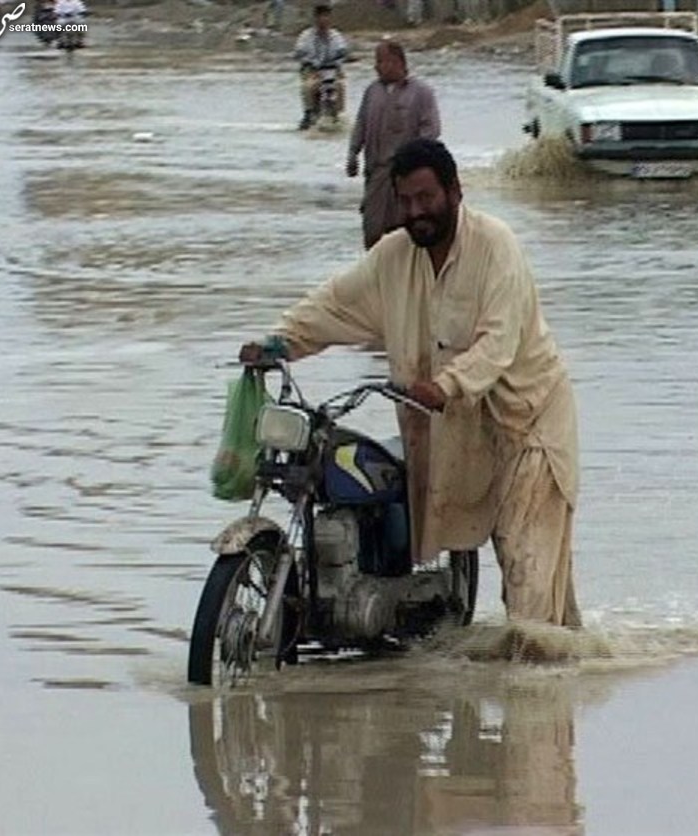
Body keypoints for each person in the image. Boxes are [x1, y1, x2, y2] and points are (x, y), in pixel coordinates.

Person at [241, 139, 582, 628]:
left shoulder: (495, 246)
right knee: (541, 593)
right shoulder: (393, 257)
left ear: (455, 192)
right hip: (452, 428)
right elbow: (335, 304)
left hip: (527, 426)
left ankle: (539, 684)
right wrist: (279, 342)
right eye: (406, 201)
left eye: (427, 199)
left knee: (528, 576)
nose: (416, 212)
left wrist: (445, 384)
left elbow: (497, 342)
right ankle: (567, 670)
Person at [345, 40, 440, 249]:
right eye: (376, 62)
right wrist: (353, 153)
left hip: (406, 178)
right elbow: (360, 124)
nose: (377, 66)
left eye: (381, 61)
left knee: (404, 235)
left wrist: (416, 163)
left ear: (397, 62)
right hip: (376, 175)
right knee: (373, 232)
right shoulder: (372, 91)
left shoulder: (421, 92)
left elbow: (431, 131)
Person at [293, 3, 348, 131]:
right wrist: (309, 63)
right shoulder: (305, 37)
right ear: (315, 19)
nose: (324, 20)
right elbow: (300, 54)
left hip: (332, 70)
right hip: (312, 71)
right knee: (308, 86)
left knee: (340, 85)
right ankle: (309, 113)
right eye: (321, 17)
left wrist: (345, 57)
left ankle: (338, 114)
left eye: (326, 17)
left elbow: (342, 52)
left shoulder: (336, 36)